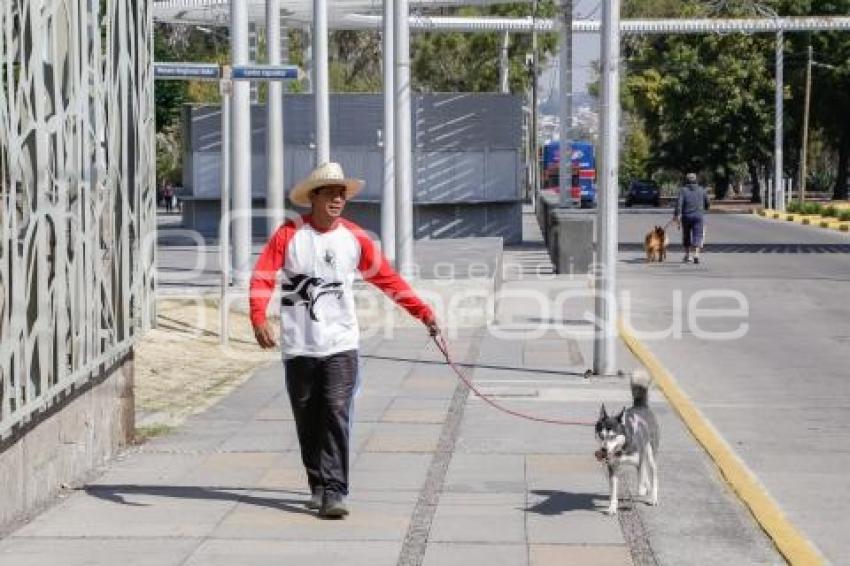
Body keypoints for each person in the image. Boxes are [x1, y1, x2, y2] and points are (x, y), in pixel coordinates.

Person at [249, 162, 439, 519]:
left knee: (336, 412)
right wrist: (258, 315)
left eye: (342, 194)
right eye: (331, 193)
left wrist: (423, 312)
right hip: (299, 346)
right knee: (307, 418)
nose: (338, 199)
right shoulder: (289, 235)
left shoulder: (355, 237)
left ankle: (335, 491)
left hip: (341, 344)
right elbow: (262, 276)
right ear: (313, 197)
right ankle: (318, 483)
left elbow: (388, 279)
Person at [673, 172, 710, 264]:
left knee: (686, 235)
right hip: (698, 216)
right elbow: (708, 202)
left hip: (686, 216)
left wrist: (677, 215)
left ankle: (688, 255)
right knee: (698, 234)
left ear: (686, 180)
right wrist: (704, 208)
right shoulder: (702, 190)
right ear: (695, 180)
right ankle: (696, 255)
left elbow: (679, 204)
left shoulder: (683, 190)